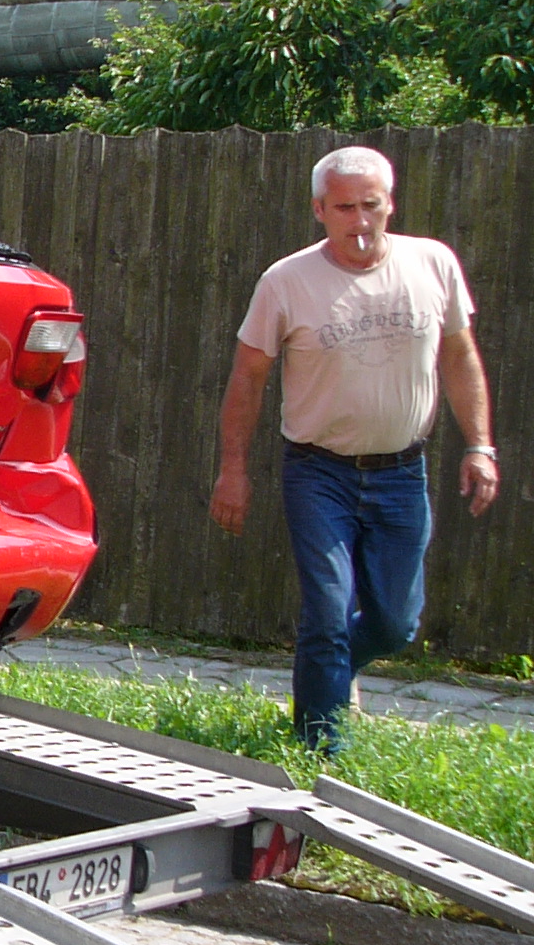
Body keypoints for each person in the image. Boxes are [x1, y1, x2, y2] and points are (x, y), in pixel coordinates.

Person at [211, 145, 499, 750]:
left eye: (372, 205)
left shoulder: (433, 264)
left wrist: (480, 446)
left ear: (390, 203)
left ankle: (332, 676)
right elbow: (248, 378)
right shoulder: (287, 281)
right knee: (327, 613)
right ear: (320, 209)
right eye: (345, 208)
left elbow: (459, 356)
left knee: (395, 625)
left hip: (402, 471)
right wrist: (233, 469)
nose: (361, 221)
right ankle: (319, 750)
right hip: (319, 473)